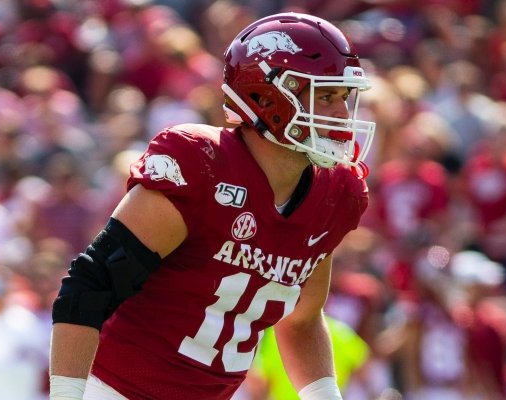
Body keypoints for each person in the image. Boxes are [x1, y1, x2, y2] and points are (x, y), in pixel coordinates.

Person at [49, 12, 376, 400]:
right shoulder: (202, 166)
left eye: (342, 97)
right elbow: (89, 287)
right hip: (114, 389)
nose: (341, 114)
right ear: (267, 95)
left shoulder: (336, 193)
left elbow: (302, 319)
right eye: (325, 96)